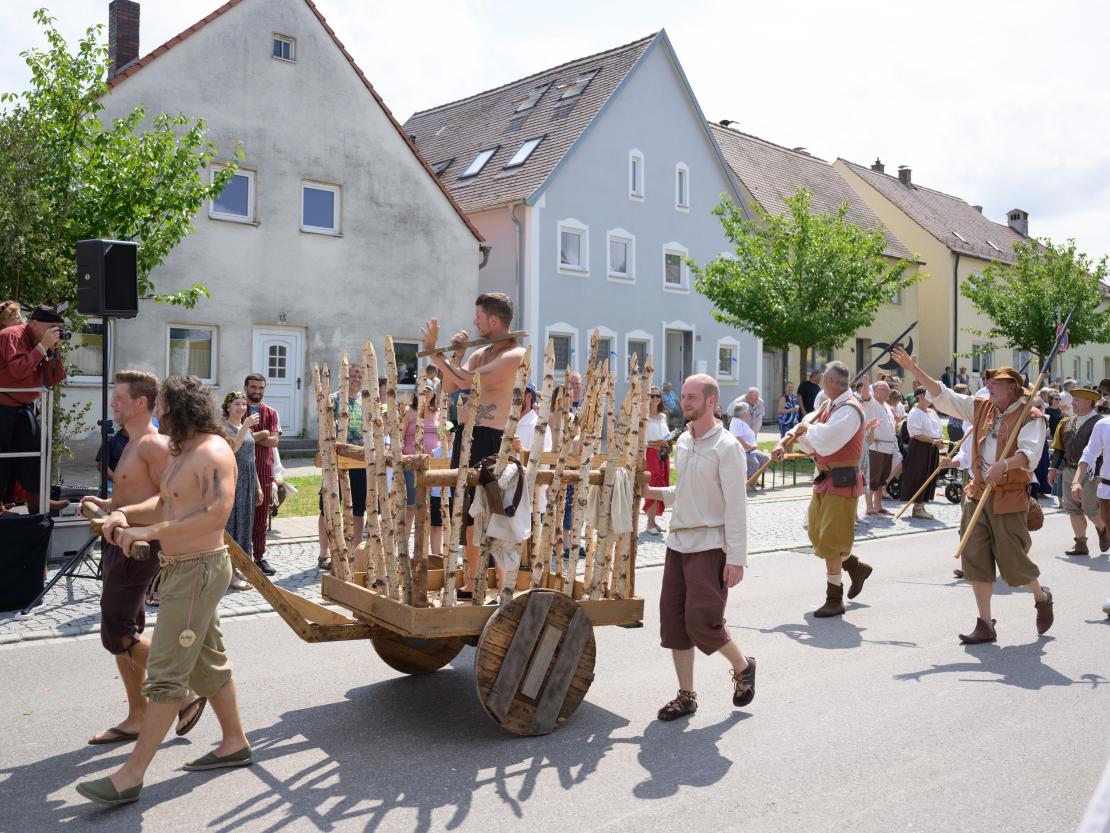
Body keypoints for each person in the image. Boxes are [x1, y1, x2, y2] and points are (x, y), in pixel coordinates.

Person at [80, 376, 250, 806]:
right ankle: (234, 743)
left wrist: (151, 531)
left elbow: (215, 516)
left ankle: (130, 776)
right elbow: (164, 503)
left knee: (167, 672)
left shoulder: (213, 452)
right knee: (208, 660)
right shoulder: (180, 451)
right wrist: (124, 513)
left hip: (198, 570)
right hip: (180, 569)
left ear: (181, 409)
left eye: (161, 407)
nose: (156, 414)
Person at [891, 350, 1052, 644]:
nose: (988, 387)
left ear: (1012, 387)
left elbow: (1029, 454)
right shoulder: (982, 407)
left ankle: (1041, 597)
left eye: (995, 383)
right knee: (975, 558)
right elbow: (945, 396)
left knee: (1013, 560)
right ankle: (985, 624)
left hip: (1008, 496)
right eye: (988, 382)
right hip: (977, 493)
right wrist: (914, 369)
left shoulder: (1031, 416)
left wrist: (1004, 465)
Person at [78, 372, 202, 746]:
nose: (112, 402)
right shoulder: (132, 443)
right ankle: (137, 715)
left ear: (141, 402)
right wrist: (108, 505)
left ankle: (185, 691)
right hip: (121, 542)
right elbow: (136, 496)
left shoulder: (153, 445)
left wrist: (123, 514)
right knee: (126, 631)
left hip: (138, 547)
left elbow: (169, 502)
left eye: (119, 397)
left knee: (117, 632)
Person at [641, 374, 755, 721]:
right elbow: (683, 492)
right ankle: (686, 695)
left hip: (710, 544)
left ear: (710, 401)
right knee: (674, 623)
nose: (685, 402)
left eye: (692, 397)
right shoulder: (684, 442)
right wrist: (650, 493)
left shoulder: (727, 447)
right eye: (684, 396)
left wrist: (736, 558)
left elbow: (736, 506)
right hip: (678, 543)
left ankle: (743, 666)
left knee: (703, 621)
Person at [422, 292, 526, 601]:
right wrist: (454, 356)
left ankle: (503, 585)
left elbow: (469, 381)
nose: (474, 322)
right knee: (467, 512)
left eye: (478, 317)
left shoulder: (515, 354)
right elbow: (451, 384)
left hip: (493, 438)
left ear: (493, 320)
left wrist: (436, 355)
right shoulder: (481, 353)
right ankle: (471, 581)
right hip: (468, 436)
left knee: (494, 511)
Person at [771, 361, 873, 618]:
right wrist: (784, 442)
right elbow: (803, 428)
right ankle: (855, 566)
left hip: (842, 480)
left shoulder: (850, 410)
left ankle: (834, 598)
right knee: (816, 532)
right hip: (824, 477)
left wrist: (808, 430)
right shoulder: (829, 406)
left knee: (830, 540)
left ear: (828, 382)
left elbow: (826, 441)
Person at [0, 305, 67, 513]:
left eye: (57, 327)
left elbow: (54, 378)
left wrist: (53, 351)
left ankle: (39, 501)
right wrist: (42, 347)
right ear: (35, 324)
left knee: (34, 453)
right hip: (2, 404)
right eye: (51, 326)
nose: (54, 331)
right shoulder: (11, 335)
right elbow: (18, 370)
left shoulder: (41, 342)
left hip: (23, 406)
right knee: (2, 457)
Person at [318, 366, 368, 571]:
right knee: (328, 507)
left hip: (360, 461)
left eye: (359, 375)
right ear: (343, 378)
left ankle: (354, 551)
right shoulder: (333, 400)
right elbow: (323, 426)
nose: (356, 379)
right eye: (352, 375)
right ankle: (324, 553)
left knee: (358, 507)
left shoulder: (366, 401)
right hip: (336, 461)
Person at [1049, 387, 1106, 555]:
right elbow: (1058, 448)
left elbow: (1105, 453)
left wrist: (1100, 475)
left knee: (1090, 508)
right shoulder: (1066, 422)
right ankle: (1081, 543)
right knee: (1072, 508)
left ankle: (1104, 529)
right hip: (1069, 470)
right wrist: (1053, 468)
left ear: (1089, 402)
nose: (1072, 403)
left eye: (1077, 400)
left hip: (1092, 472)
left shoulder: (1100, 423)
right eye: (1073, 399)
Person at [221, 391, 261, 590]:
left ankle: (239, 567)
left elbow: (251, 458)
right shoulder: (224, 427)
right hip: (233, 480)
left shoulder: (246, 428)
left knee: (245, 524)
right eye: (237, 404)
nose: (241, 407)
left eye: (244, 404)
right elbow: (232, 450)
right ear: (228, 406)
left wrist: (258, 486)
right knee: (231, 525)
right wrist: (245, 426)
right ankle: (228, 574)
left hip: (248, 481)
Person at [244, 373, 280, 575]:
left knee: (261, 518)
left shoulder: (271, 413)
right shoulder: (238, 409)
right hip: (242, 470)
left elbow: (274, 441)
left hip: (264, 470)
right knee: (240, 515)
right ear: (246, 387)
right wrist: (263, 433)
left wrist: (251, 436)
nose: (257, 391)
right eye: (253, 387)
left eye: (260, 387)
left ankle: (259, 556)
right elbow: (235, 438)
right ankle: (239, 557)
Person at [401, 378, 439, 545]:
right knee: (411, 505)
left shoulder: (437, 412)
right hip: (412, 464)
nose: (425, 393)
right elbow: (400, 437)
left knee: (429, 506)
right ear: (416, 393)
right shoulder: (409, 412)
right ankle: (404, 545)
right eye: (422, 390)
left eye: (428, 390)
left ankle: (424, 545)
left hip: (433, 465)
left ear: (434, 393)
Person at [900, 387, 946, 520]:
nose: (931, 398)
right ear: (920, 397)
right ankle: (917, 507)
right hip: (920, 447)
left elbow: (938, 430)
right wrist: (933, 441)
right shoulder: (915, 412)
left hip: (932, 447)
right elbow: (916, 434)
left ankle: (921, 505)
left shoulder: (932, 412)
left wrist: (940, 440)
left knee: (929, 475)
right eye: (928, 395)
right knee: (919, 475)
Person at [860, 377, 897, 516]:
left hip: (887, 447)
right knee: (872, 478)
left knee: (882, 480)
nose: (888, 392)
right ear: (876, 391)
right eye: (885, 390)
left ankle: (878, 506)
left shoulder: (885, 406)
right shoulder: (872, 403)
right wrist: (865, 384)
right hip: (875, 446)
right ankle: (869, 508)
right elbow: (865, 396)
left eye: (888, 390)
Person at [643, 386, 672, 534]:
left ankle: (653, 520)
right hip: (650, 454)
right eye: (652, 396)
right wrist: (656, 443)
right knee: (652, 484)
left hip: (662, 454)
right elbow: (641, 440)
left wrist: (669, 441)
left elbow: (665, 436)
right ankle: (649, 523)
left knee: (662, 485)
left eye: (657, 396)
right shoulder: (643, 416)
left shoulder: (663, 416)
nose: (655, 399)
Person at [729, 401, 769, 482]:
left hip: (751, 451)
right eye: (748, 411)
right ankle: (748, 483)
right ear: (744, 412)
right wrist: (750, 446)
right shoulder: (736, 422)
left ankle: (753, 481)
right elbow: (738, 439)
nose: (749, 413)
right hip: (743, 452)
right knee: (754, 464)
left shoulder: (742, 421)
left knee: (765, 459)